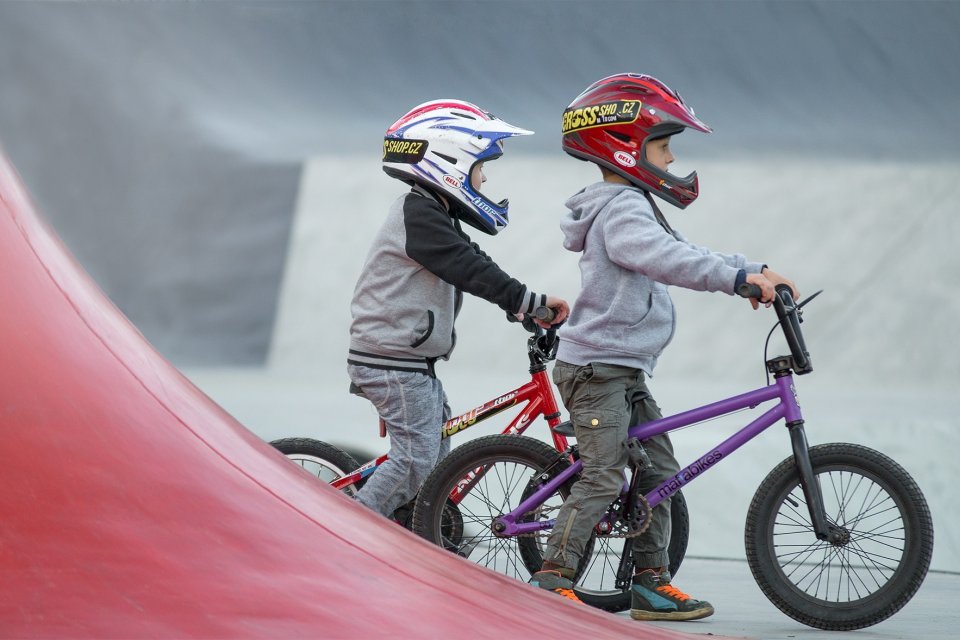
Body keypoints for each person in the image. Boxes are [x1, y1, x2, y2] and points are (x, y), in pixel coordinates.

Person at [528, 74, 798, 620]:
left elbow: (685, 249)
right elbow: (667, 260)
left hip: (622, 368)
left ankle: (650, 582)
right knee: (604, 474)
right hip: (596, 370)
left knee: (660, 474)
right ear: (625, 147)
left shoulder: (633, 204)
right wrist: (735, 282)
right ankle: (551, 576)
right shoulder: (621, 209)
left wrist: (751, 268)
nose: (672, 158)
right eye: (664, 145)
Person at [347, 99, 569, 521]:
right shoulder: (418, 214)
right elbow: (468, 268)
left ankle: (414, 527)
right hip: (391, 362)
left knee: (434, 457)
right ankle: (348, 528)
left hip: (409, 362)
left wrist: (524, 306)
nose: (484, 179)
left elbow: (475, 259)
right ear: (450, 162)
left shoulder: (432, 212)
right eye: (480, 167)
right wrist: (528, 301)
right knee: (414, 461)